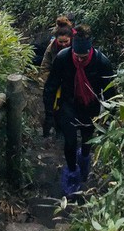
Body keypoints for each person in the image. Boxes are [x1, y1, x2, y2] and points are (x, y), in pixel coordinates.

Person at [43, 25, 115, 196]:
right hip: (68, 103)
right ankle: (72, 172)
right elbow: (51, 86)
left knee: (86, 141)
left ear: (90, 50)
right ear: (72, 51)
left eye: (84, 57)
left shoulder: (102, 62)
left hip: (90, 106)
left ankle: (83, 161)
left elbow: (111, 93)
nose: (80, 61)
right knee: (69, 141)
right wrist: (49, 114)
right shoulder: (63, 58)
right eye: (77, 57)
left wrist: (113, 116)